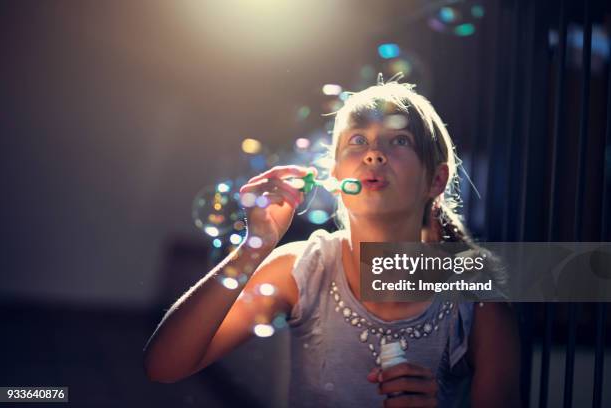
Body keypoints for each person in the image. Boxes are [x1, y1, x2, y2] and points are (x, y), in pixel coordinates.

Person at [143, 77, 521, 407]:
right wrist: (255, 246)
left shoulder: (477, 300)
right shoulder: (302, 268)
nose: (374, 153)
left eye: (400, 140)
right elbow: (163, 366)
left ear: (435, 181)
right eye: (358, 140)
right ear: (337, 173)